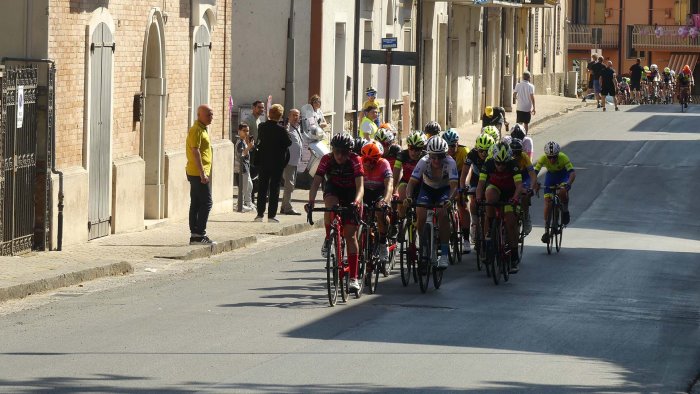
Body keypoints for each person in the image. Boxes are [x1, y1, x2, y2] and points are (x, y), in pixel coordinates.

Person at [308, 133, 364, 292]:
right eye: (337, 151)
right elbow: (316, 182)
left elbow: (360, 187)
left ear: (349, 152)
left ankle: (354, 278)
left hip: (352, 192)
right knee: (330, 207)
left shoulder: (355, 160)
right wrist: (311, 202)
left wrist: (357, 202)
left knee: (351, 235)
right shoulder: (326, 159)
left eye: (344, 152)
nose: (339, 156)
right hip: (334, 189)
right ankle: (328, 237)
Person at [404, 136, 459, 269]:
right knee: (420, 214)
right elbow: (411, 183)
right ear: (429, 155)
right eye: (433, 157)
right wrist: (409, 197)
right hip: (427, 189)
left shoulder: (450, 162)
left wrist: (450, 200)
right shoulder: (423, 161)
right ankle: (424, 245)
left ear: (445, 155)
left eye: (440, 157)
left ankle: (444, 254)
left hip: (444, 190)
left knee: (443, 214)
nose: (436, 160)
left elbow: (454, 186)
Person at [476, 142, 523, 272]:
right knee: (489, 197)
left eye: (503, 164)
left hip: (509, 194)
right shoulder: (489, 163)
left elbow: (519, 186)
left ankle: (514, 257)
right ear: (494, 160)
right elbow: (480, 184)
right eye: (498, 163)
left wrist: (515, 198)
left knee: (510, 223)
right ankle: (490, 231)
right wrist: (478, 198)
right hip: (495, 189)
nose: (500, 166)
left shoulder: (513, 165)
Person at [254, 104, 292, 223]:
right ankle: (271, 216)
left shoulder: (262, 127)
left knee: (262, 188)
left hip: (264, 162)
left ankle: (260, 214)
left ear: (269, 114)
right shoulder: (281, 130)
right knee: (274, 188)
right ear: (280, 116)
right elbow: (288, 142)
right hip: (277, 163)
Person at [534, 141, 576, 244]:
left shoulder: (563, 157)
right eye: (549, 157)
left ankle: (565, 210)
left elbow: (572, 173)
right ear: (546, 156)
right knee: (548, 202)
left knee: (562, 192)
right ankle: (546, 230)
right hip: (551, 177)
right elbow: (534, 173)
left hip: (562, 176)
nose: (552, 159)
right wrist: (535, 183)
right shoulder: (543, 158)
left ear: (558, 155)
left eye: (554, 157)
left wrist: (568, 184)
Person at [186, 104, 216, 245]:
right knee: (207, 202)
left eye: (212, 114)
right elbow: (195, 151)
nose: (211, 117)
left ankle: (195, 236)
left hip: (199, 172)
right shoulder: (196, 130)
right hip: (197, 173)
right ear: (199, 115)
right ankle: (200, 234)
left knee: (197, 203)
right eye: (208, 115)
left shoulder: (203, 129)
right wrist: (202, 173)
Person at [361, 140, 393, 263]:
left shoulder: (384, 164)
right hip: (365, 192)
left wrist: (385, 201)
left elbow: (389, 185)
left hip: (379, 192)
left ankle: (383, 243)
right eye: (366, 160)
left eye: (372, 161)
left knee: (381, 212)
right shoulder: (359, 162)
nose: (368, 164)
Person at [461, 133, 495, 246]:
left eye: (487, 151)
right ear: (477, 149)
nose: (484, 154)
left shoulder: (494, 155)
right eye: (481, 151)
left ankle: (491, 228)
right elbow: (465, 172)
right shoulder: (471, 154)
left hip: (490, 178)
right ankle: (475, 224)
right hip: (476, 178)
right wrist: (463, 186)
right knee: (474, 198)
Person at [442, 129, 471, 252]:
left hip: (461, 175)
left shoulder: (464, 151)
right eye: (448, 146)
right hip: (447, 177)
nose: (451, 148)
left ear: (457, 144)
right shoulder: (441, 153)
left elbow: (468, 171)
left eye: (453, 145)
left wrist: (464, 185)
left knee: (462, 204)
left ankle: (466, 239)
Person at [393, 131, 427, 220]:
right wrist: (393, 189)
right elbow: (396, 173)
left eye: (417, 149)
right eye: (411, 148)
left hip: (421, 184)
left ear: (422, 148)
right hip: (406, 181)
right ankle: (401, 221)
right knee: (402, 202)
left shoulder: (426, 156)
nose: (413, 152)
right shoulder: (402, 155)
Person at [509, 138, 538, 235]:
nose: (516, 156)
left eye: (518, 153)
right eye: (513, 153)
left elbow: (532, 175)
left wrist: (531, 187)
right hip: (512, 175)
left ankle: (526, 217)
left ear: (521, 152)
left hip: (524, 175)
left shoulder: (524, 157)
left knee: (525, 194)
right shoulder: (508, 157)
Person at [281, 109, 303, 215]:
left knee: (290, 184)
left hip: (294, 161)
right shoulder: (287, 128)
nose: (295, 117)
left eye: (297, 115)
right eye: (293, 115)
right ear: (289, 116)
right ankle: (287, 208)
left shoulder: (297, 127)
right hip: (288, 161)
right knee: (289, 185)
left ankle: (284, 206)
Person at [236, 123, 254, 213]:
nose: (246, 133)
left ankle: (247, 203)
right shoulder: (240, 143)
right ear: (239, 131)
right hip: (242, 169)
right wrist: (249, 147)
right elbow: (241, 155)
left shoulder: (243, 141)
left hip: (246, 167)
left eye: (247, 131)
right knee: (243, 188)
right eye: (244, 131)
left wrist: (249, 146)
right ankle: (240, 205)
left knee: (249, 186)